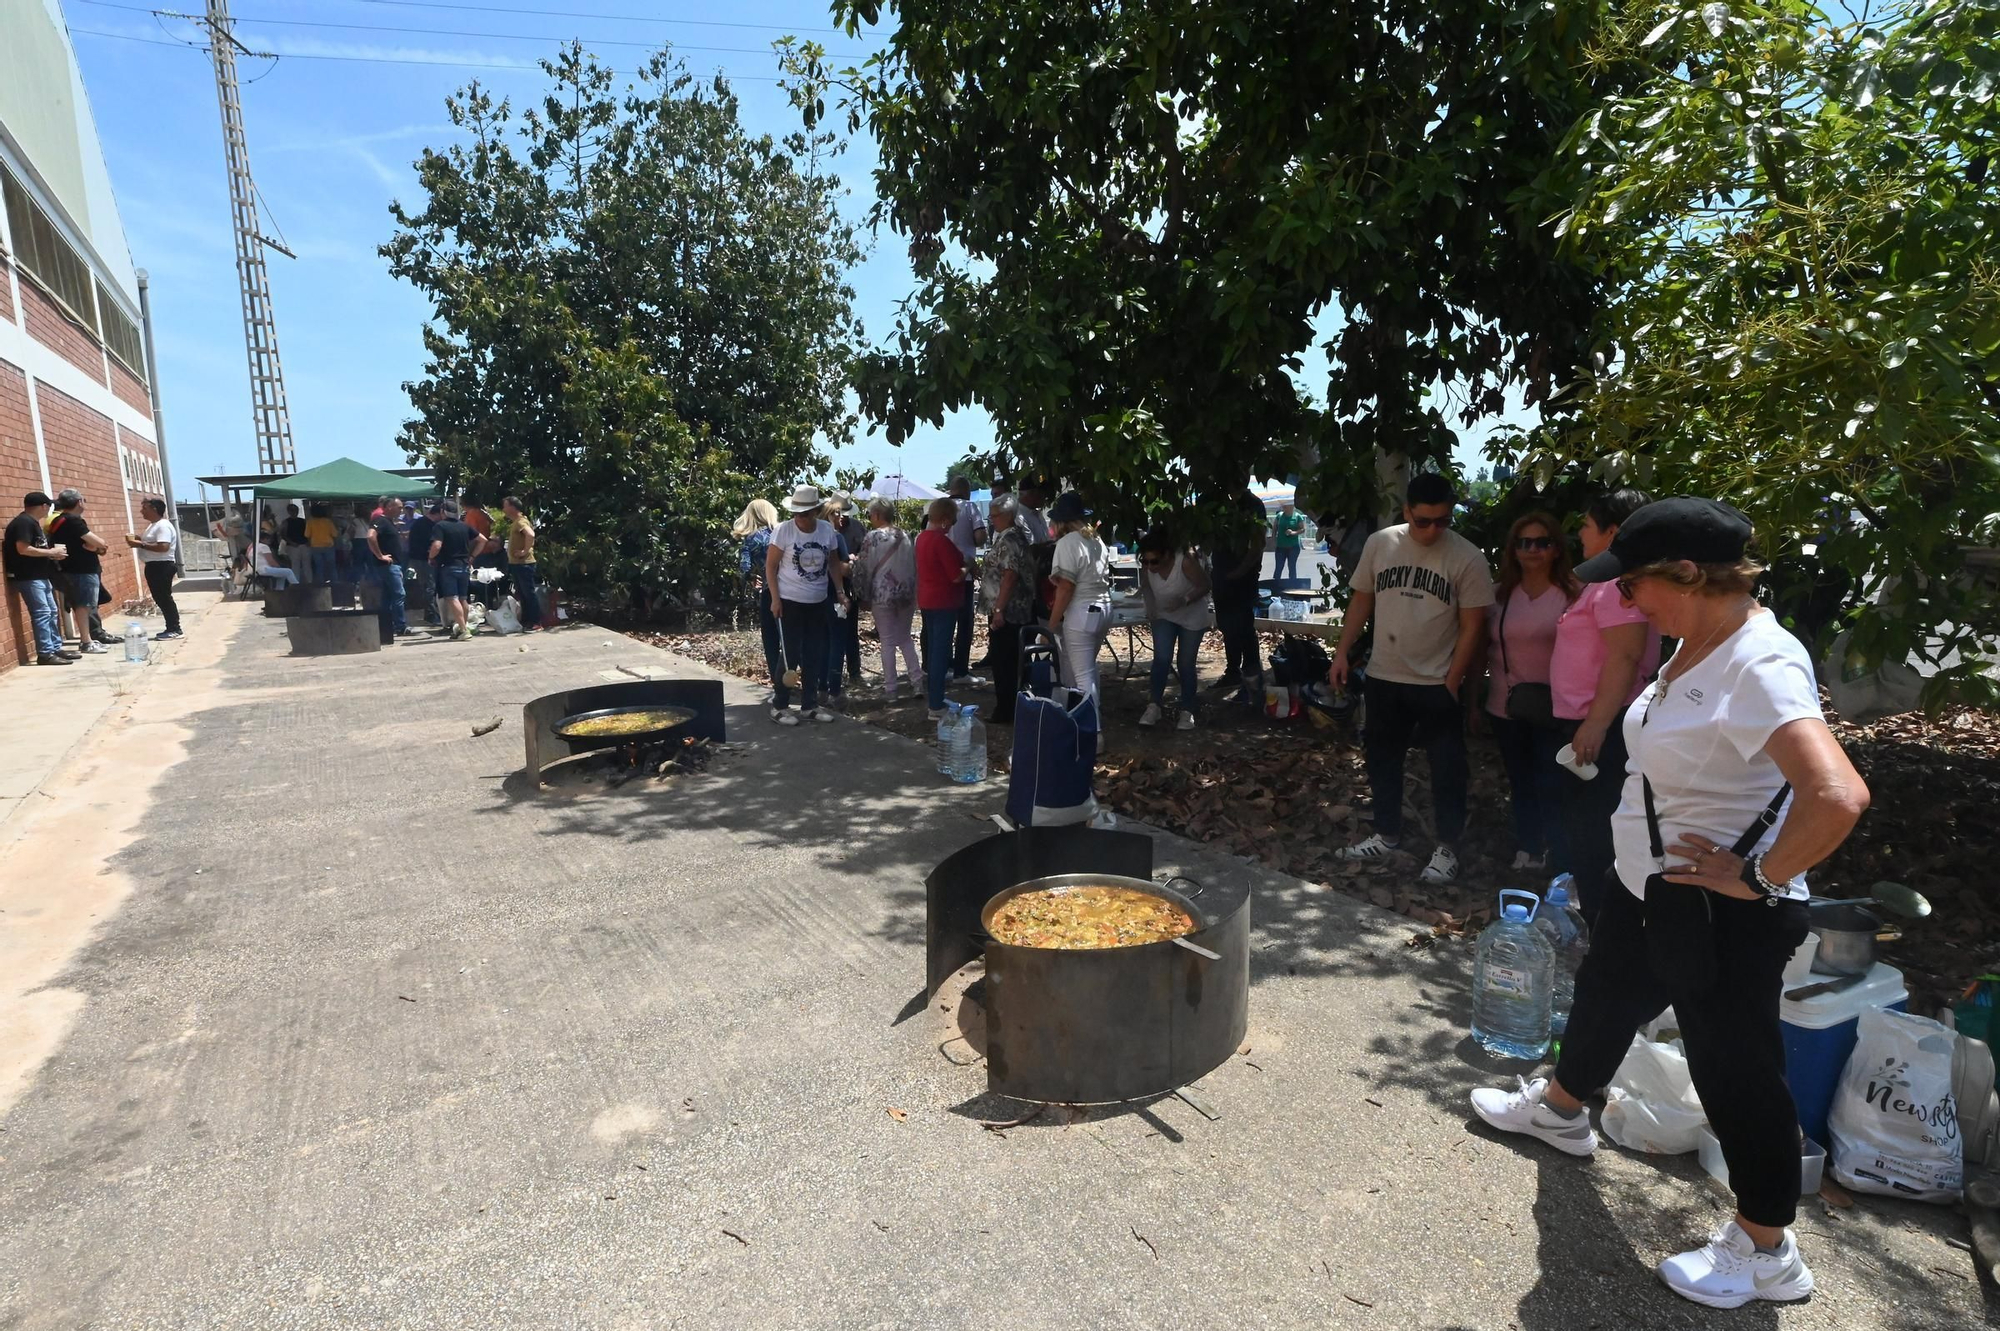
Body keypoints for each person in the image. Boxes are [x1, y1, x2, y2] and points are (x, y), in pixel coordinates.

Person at [1470, 497, 1870, 1310]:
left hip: (1721, 913)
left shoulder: (1759, 661)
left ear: (1687, 574)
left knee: (1736, 1072)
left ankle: (1767, 1250)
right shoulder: (1699, 644)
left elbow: (1837, 795)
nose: (1622, 600)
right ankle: (1561, 1109)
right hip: (1649, 888)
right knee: (1609, 991)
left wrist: (1755, 875)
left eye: (1632, 584)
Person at [1328, 473, 1493, 884]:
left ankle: (1447, 848)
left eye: (1443, 521)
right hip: (1385, 676)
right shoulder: (1381, 544)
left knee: (1448, 768)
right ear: (1406, 512)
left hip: (1437, 682)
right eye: (1423, 521)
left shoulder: (1467, 557)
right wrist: (1342, 652)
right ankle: (1386, 833)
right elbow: (1362, 600)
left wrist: (1453, 680)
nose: (1433, 529)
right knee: (1383, 760)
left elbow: (1474, 626)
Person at [1552, 488, 1661, 919]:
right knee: (1585, 834)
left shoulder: (1618, 585)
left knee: (1596, 835)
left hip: (1606, 726)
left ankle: (1606, 933)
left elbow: (1625, 655)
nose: (1579, 532)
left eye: (1586, 523)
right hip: (1592, 722)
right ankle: (1600, 927)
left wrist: (1596, 724)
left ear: (1612, 531)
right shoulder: (1605, 583)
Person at [1478, 510, 1579, 872]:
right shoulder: (1499, 595)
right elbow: (1480, 648)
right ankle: (1529, 847)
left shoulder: (1574, 594)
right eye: (1524, 543)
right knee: (1521, 781)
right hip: (1506, 705)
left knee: (1553, 783)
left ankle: (1560, 856)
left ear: (1556, 549)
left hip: (1557, 708)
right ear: (1514, 550)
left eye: (1542, 542)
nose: (1533, 550)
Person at [766, 485, 849, 724]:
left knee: (814, 652)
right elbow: (771, 567)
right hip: (790, 600)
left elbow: (833, 563)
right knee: (790, 654)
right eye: (796, 513)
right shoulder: (784, 531)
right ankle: (779, 704)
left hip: (817, 600)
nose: (799, 518)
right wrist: (775, 598)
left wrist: (840, 592)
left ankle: (809, 704)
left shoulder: (826, 531)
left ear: (815, 511)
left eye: (804, 513)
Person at [1137, 527, 1211, 730]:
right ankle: (1154, 705)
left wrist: (1184, 600)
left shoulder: (1184, 561)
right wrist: (1150, 606)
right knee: (1161, 658)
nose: (1150, 566)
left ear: (1168, 555)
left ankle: (1187, 710)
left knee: (1186, 663)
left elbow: (1205, 585)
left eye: (1155, 562)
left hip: (1191, 614)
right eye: (1145, 561)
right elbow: (1146, 585)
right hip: (1163, 614)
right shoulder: (1148, 566)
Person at [1045, 492, 1113, 702]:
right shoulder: (1096, 540)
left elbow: (1066, 587)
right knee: (1087, 670)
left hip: (1081, 610)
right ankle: (1086, 721)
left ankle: (1092, 729)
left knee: (1083, 676)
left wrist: (1051, 624)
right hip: (1103, 607)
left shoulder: (1068, 543)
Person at [1208, 489, 1267, 701]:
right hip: (1221, 575)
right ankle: (1233, 671)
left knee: (1244, 627)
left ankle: (1252, 677)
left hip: (1244, 578)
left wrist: (1241, 571)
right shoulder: (1218, 501)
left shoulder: (1253, 504)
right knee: (1226, 625)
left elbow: (1258, 543)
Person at [982, 494, 1037, 723]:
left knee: (1005, 661)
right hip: (1013, 609)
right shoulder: (1010, 536)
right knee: (1012, 660)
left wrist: (998, 610)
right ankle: (1011, 707)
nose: (991, 519)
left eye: (995, 515)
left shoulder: (1009, 539)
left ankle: (1007, 710)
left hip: (1010, 611)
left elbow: (1010, 575)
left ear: (1008, 515)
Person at [863, 498, 921, 703]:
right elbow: (914, 565)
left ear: (878, 515)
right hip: (905, 594)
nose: (870, 518)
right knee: (905, 639)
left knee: (887, 641)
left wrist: (863, 593)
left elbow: (865, 568)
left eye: (870, 514)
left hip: (882, 595)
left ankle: (891, 689)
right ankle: (917, 681)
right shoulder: (906, 535)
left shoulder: (872, 537)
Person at [7, 491, 72, 665]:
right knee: (42, 613)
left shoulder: (32, 523)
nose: (48, 510)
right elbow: (23, 548)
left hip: (41, 575)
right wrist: (51, 552)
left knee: (51, 611)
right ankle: (45, 653)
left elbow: (35, 549)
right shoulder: (23, 523)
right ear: (43, 506)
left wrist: (51, 555)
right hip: (29, 577)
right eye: (48, 506)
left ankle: (55, 648)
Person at [915, 496, 966, 720]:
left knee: (935, 650)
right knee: (940, 654)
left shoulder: (922, 538)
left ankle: (936, 699)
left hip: (928, 600)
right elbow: (955, 576)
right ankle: (935, 705)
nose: (954, 523)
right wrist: (968, 568)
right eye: (953, 519)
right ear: (945, 520)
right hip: (943, 601)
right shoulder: (941, 541)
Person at [46, 490, 110, 655]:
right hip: (81, 569)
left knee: (83, 604)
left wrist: (95, 547)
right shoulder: (73, 520)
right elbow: (100, 543)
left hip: (70, 568)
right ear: (79, 502)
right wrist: (98, 546)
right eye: (84, 500)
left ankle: (87, 639)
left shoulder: (58, 520)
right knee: (83, 605)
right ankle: (86, 641)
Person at [733, 498, 785, 700]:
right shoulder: (781, 532)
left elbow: (744, 568)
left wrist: (750, 577)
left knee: (771, 641)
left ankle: (779, 686)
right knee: (790, 638)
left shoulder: (751, 539)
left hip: (769, 592)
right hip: (792, 590)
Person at [822, 493, 867, 699]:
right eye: (838, 514)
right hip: (836, 592)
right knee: (835, 639)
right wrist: (849, 563)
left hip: (842, 590)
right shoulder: (833, 536)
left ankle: (850, 673)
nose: (842, 518)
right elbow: (840, 568)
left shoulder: (857, 528)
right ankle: (832, 687)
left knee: (847, 633)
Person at [945, 475, 987, 679]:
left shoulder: (938, 507)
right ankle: (961, 669)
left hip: (941, 576)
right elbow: (980, 537)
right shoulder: (970, 508)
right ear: (967, 491)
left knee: (944, 623)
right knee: (964, 623)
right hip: (964, 574)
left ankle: (943, 666)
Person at [126, 497, 182, 640]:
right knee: (160, 598)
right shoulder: (153, 525)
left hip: (162, 566)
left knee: (164, 598)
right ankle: (171, 627)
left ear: (154, 509)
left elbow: (164, 547)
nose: (141, 511)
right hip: (154, 565)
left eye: (145, 508)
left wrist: (140, 544)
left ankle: (175, 629)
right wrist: (139, 539)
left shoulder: (163, 526)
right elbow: (153, 542)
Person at [428, 500, 483, 641]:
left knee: (452, 598)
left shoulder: (439, 526)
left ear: (442, 512)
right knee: (463, 598)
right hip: (464, 566)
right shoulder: (464, 526)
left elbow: (437, 545)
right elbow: (483, 540)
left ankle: (463, 630)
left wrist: (430, 557)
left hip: (448, 566)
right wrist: (472, 556)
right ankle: (461, 628)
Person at [367, 497, 409, 638]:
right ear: (389, 507)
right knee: (399, 594)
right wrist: (380, 556)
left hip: (392, 565)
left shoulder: (389, 522)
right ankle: (400, 626)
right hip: (388, 566)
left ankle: (385, 626)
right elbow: (370, 536)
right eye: (399, 507)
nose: (401, 510)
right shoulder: (380, 520)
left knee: (387, 596)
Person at [501, 496, 543, 632]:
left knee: (528, 593)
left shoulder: (521, 521)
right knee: (522, 594)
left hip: (524, 563)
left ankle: (536, 622)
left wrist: (525, 550)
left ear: (513, 507)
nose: (503, 508)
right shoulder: (516, 522)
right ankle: (527, 621)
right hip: (516, 564)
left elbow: (530, 534)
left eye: (505, 505)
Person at [408, 502, 440, 624]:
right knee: (429, 587)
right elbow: (431, 545)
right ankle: (432, 615)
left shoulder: (420, 522)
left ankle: (429, 614)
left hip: (419, 559)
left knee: (427, 586)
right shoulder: (427, 525)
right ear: (436, 514)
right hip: (423, 560)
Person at [1271, 500, 1307, 582]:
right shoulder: (1279, 516)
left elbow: (1303, 529)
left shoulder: (1297, 516)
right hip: (1280, 546)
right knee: (1278, 567)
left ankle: (1293, 585)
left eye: (1285, 506)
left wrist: (1293, 532)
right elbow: (1274, 528)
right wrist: (1273, 539)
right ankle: (1275, 585)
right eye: (1283, 506)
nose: (1284, 507)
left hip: (1293, 547)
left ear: (1291, 506)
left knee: (1292, 567)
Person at [304, 503, 339, 584]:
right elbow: (335, 534)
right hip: (328, 546)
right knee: (332, 566)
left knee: (319, 566)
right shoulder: (328, 521)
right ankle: (335, 583)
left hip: (315, 546)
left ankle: (321, 584)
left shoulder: (310, 522)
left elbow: (307, 535)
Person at [1015, 477, 1052, 546]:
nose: (1045, 497)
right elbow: (1031, 549)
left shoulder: (1037, 514)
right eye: (1042, 493)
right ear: (1031, 494)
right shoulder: (1018, 516)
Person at [279, 503, 311, 582]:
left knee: (307, 565)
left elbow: (308, 532)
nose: (294, 512)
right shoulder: (286, 522)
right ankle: (295, 583)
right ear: (288, 511)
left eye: (296, 510)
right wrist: (291, 542)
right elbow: (283, 534)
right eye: (292, 510)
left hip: (304, 544)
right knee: (295, 565)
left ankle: (309, 581)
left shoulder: (303, 521)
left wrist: (308, 541)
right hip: (293, 546)